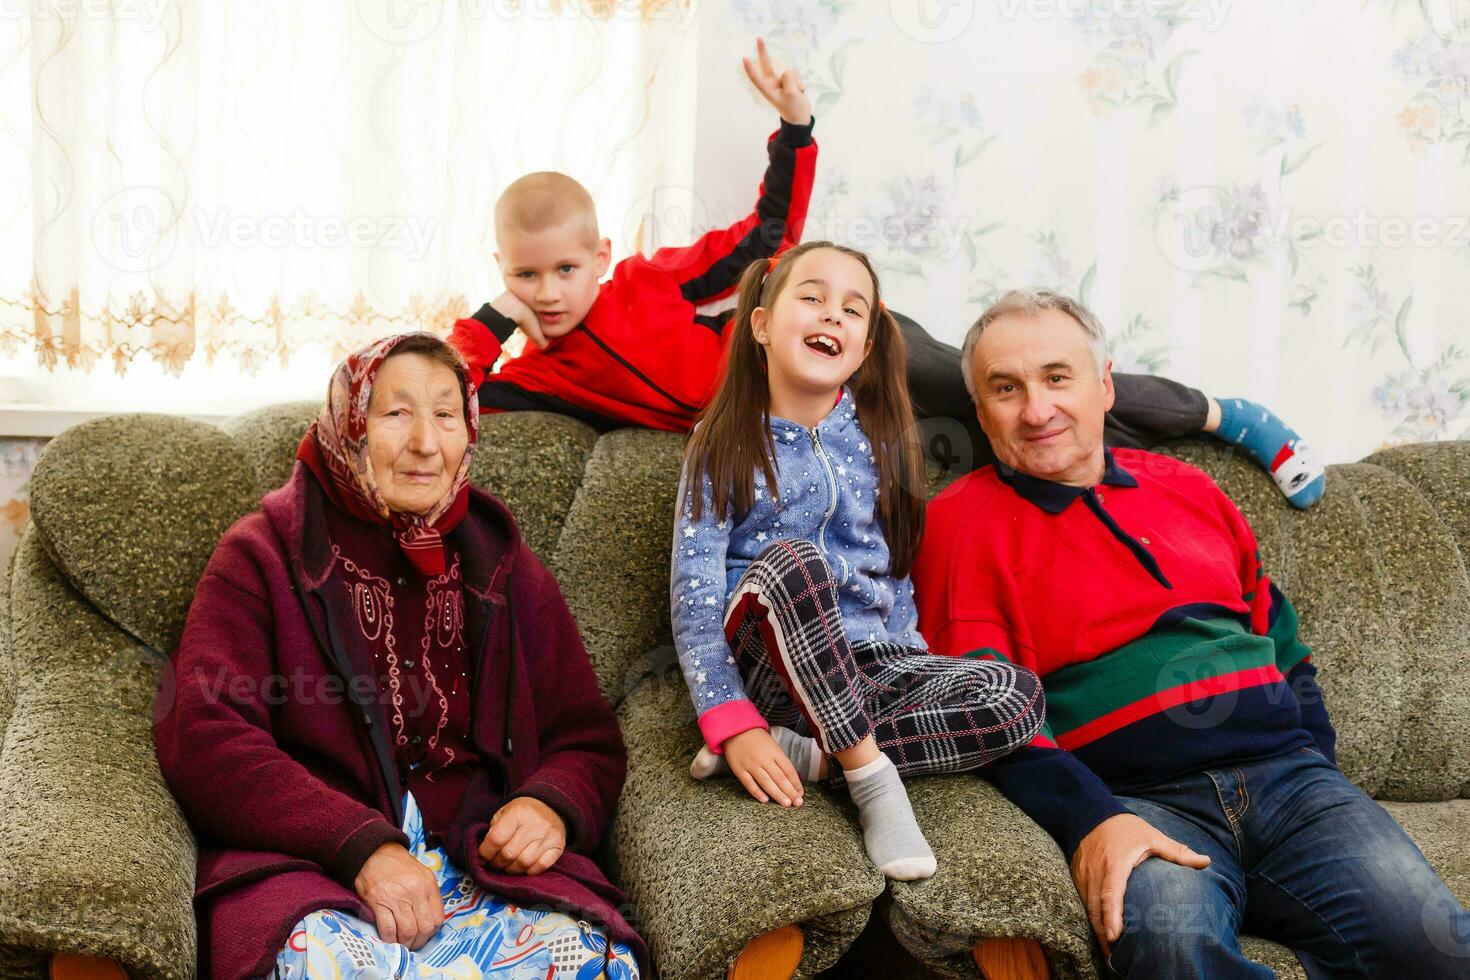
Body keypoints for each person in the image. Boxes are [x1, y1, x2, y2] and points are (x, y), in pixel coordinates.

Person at [448, 43, 1325, 508]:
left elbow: (764, 237)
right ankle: (1172, 485)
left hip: (852, 351)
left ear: (601, 257)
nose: (553, 291)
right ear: (504, 272)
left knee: (998, 385)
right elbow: (450, 392)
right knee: (1005, 441)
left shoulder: (647, 280)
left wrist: (794, 131)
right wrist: (491, 318)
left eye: (567, 267)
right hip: (817, 421)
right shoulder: (538, 376)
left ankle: (1224, 416)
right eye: (529, 275)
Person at [912, 288, 1470, 978]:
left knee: (1438, 948)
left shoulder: (1189, 486)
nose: (1037, 409)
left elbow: (1285, 643)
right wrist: (1092, 819)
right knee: (1171, 952)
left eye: (1058, 377)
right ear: (980, 411)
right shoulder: (958, 523)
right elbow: (984, 711)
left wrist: (1318, 768)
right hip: (1141, 803)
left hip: (1292, 784)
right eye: (1006, 388)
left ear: (1104, 384)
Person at [154, 333, 644, 980]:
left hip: (480, 862)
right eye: (394, 413)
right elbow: (206, 739)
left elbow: (586, 737)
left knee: (597, 961)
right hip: (318, 871)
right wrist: (358, 847)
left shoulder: (499, 560)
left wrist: (550, 805)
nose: (425, 443)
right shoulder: (261, 557)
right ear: (346, 427)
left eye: (446, 414)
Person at [671, 240, 1048, 883]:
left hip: (869, 668)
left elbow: (891, 571)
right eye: (811, 298)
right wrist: (732, 722)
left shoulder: (880, 444)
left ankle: (817, 756)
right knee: (795, 561)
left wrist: (914, 662)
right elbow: (695, 595)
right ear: (760, 324)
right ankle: (873, 782)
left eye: (853, 311)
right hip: (771, 661)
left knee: (1016, 696)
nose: (831, 317)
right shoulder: (721, 442)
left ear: (866, 347)